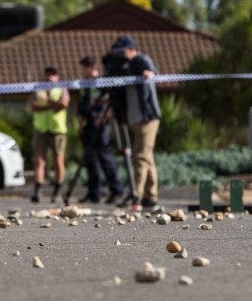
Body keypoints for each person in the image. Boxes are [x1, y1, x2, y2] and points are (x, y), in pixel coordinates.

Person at [111, 35, 161, 211]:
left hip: (146, 117)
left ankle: (136, 196)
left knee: (140, 156)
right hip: (135, 119)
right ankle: (151, 197)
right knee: (147, 157)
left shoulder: (141, 60)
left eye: (122, 51)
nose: (120, 55)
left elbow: (152, 71)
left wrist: (149, 73)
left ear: (131, 49)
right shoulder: (125, 67)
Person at [77, 56, 124, 204]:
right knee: (90, 159)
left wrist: (103, 116)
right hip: (89, 124)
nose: (81, 71)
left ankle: (116, 190)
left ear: (90, 68)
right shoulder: (85, 85)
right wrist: (81, 121)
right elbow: (82, 105)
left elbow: (109, 101)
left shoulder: (102, 82)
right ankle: (94, 193)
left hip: (102, 123)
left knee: (105, 156)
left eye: (83, 68)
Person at [30, 67, 69, 203]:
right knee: (39, 161)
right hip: (41, 129)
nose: (50, 79)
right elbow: (33, 106)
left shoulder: (62, 88)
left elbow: (63, 104)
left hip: (57, 130)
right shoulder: (38, 88)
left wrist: (46, 101)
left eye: (53, 76)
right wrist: (52, 105)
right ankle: (37, 190)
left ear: (57, 77)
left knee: (58, 160)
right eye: (47, 76)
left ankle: (57, 190)